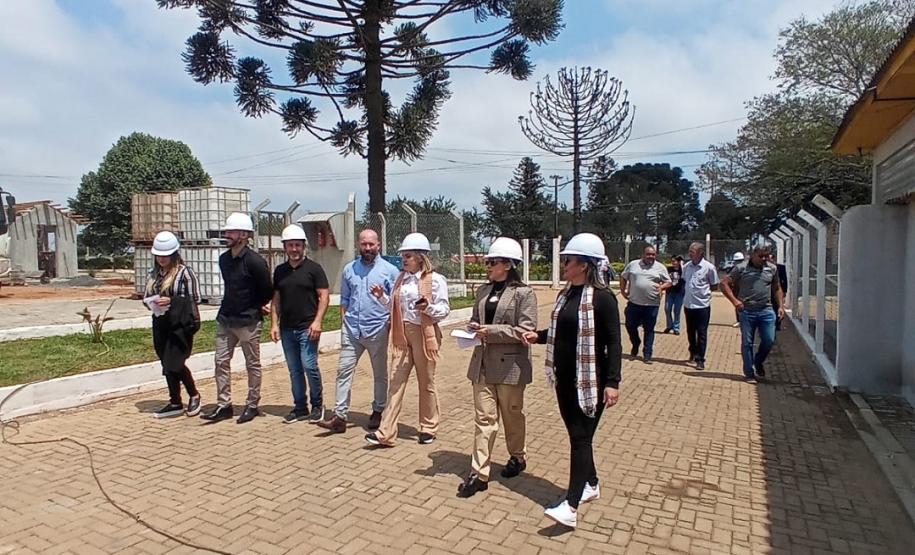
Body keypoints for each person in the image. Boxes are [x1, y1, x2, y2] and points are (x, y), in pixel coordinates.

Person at [521, 233, 622, 529]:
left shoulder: (603, 299)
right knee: (579, 437)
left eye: (569, 260)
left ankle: (572, 504)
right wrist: (537, 337)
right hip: (564, 378)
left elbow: (615, 343)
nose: (564, 265)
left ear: (585, 265)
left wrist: (613, 382)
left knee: (580, 439)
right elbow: (561, 332)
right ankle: (591, 483)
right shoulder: (566, 294)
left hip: (591, 381)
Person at [457, 237, 537, 498]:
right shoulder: (483, 290)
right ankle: (479, 473)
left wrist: (489, 331)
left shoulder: (524, 293)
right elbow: (476, 319)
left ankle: (517, 456)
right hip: (482, 364)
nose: (488, 265)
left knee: (512, 415)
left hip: (510, 365)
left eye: (492, 262)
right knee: (484, 419)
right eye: (488, 261)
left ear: (508, 264)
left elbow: (526, 330)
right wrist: (472, 327)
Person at [365, 232, 450, 447]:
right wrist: (382, 297)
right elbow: (395, 308)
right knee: (396, 381)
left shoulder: (436, 280)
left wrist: (427, 307)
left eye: (408, 255)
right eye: (403, 255)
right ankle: (386, 432)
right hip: (401, 334)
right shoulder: (400, 279)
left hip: (424, 333)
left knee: (426, 382)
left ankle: (428, 427)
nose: (404, 259)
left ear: (421, 257)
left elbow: (444, 310)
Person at [316, 230, 399, 433]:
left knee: (379, 374)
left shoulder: (390, 271)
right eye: (364, 244)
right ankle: (340, 416)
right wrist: (345, 320)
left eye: (371, 244)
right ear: (358, 245)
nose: (368, 248)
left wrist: (389, 325)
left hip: (378, 330)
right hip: (352, 329)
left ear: (378, 244)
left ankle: (378, 411)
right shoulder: (349, 270)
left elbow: (396, 303)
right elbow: (345, 298)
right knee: (343, 371)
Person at [201, 213, 273, 424]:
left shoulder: (255, 261)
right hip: (226, 318)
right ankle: (224, 404)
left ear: (243, 235)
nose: (226, 235)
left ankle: (252, 404)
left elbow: (266, 290)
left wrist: (255, 306)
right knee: (221, 361)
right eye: (226, 232)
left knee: (252, 364)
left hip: (249, 321)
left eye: (231, 232)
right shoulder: (224, 259)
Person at [270, 224, 330, 424]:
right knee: (294, 369)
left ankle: (317, 405)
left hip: (308, 327)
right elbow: (276, 299)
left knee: (309, 365)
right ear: (285, 247)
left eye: (297, 245)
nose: (294, 249)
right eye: (290, 245)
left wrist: (318, 322)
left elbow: (323, 296)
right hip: (288, 328)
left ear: (303, 246)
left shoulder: (314, 269)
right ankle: (300, 407)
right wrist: (274, 325)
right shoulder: (280, 271)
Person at [144, 231, 203, 418]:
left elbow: (195, 299)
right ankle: (175, 401)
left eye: (166, 255)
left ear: (174, 254)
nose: (162, 259)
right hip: (161, 323)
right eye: (159, 255)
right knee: (166, 363)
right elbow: (146, 296)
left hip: (181, 324)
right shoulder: (154, 274)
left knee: (175, 363)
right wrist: (150, 302)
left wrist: (171, 301)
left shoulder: (185, 273)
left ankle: (194, 394)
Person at [720, 244, 785, 384]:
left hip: (766, 310)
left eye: (766, 256)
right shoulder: (741, 268)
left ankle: (758, 361)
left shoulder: (772, 269)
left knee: (769, 340)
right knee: (747, 343)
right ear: (753, 254)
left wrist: (781, 306)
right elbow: (724, 283)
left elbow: (777, 287)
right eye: (760, 256)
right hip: (747, 311)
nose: (763, 259)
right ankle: (749, 373)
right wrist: (735, 301)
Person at [619, 246, 671, 363]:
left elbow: (669, 282)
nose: (651, 257)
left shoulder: (660, 267)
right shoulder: (633, 265)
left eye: (653, 254)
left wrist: (662, 287)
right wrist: (623, 291)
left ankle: (647, 354)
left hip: (652, 304)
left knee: (649, 329)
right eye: (648, 254)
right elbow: (623, 277)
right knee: (630, 325)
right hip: (634, 303)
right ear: (643, 254)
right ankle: (636, 343)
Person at [682, 242, 719, 371]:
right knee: (690, 332)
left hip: (702, 305)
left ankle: (700, 359)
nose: (690, 254)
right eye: (689, 251)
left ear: (700, 253)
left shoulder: (709, 268)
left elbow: (714, 285)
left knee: (702, 333)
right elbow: (684, 281)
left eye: (692, 251)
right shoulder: (686, 267)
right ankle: (693, 350)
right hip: (688, 305)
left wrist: (704, 293)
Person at [662, 256, 685, 335]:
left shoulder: (682, 270)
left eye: (675, 261)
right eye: (672, 261)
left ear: (679, 262)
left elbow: (684, 275)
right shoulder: (669, 269)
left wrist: (681, 265)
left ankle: (676, 327)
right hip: (669, 292)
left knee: (677, 310)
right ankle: (669, 325)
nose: (673, 263)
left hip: (679, 293)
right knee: (667, 309)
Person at [770, 252, 788, 331]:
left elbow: (784, 280)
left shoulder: (780, 267)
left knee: (777, 307)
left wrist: (784, 291)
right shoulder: (765, 268)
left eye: (770, 258)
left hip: (778, 290)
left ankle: (778, 324)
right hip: (769, 291)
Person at [730, 252, 745, 328]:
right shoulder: (747, 266)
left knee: (738, 305)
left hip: (738, 289)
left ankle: (740, 321)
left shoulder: (736, 268)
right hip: (743, 289)